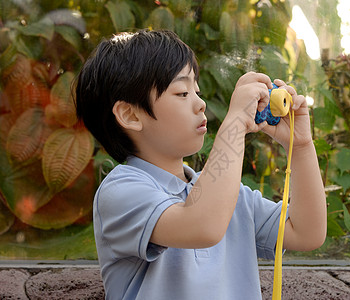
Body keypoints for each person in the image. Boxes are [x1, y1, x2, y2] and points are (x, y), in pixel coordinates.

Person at [75, 29, 327, 300]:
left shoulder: (230, 197)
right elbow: (202, 225)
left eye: (197, 90)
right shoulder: (121, 191)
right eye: (183, 93)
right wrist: (235, 123)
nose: (201, 103)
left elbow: (306, 233)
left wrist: (300, 147)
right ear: (130, 115)